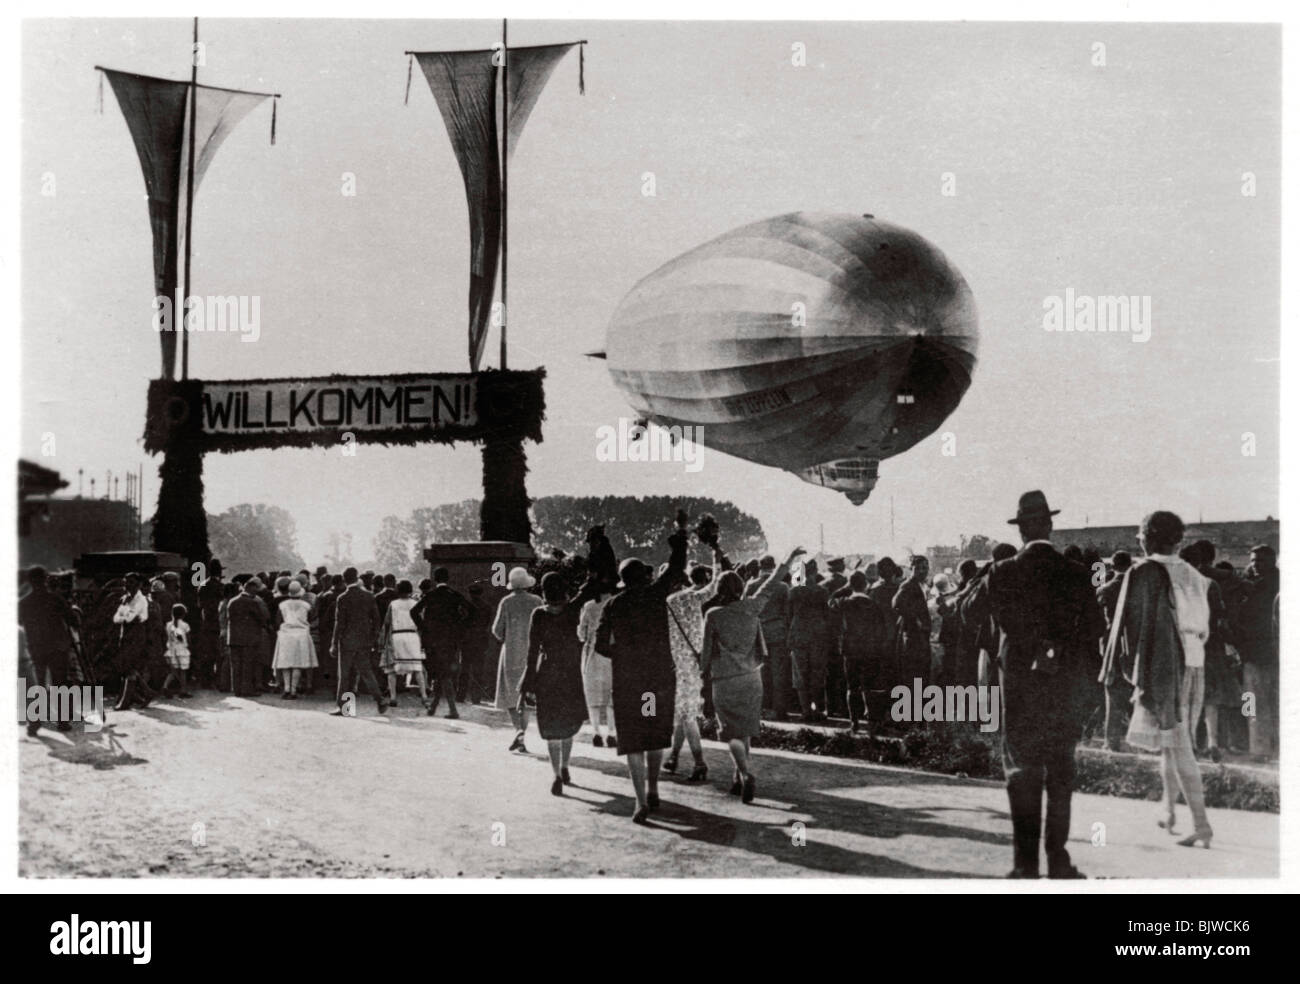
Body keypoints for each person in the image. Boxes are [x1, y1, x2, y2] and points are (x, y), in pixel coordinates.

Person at [959, 490, 1104, 878]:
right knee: (1060, 770)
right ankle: (1058, 859)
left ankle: (1025, 866)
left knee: (1021, 769)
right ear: (1051, 527)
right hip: (1063, 686)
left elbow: (968, 611)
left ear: (1021, 530)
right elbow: (1096, 630)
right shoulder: (1075, 574)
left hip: (1020, 686)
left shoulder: (1003, 571)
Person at [1102, 511, 1213, 848]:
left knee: (1179, 747)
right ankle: (1169, 811)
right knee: (1171, 743)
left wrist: (1130, 668)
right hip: (1195, 663)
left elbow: (1131, 626)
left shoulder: (1144, 572)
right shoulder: (1194, 575)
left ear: (1147, 537)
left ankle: (1202, 824)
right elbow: (1205, 628)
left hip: (1166, 668)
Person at [594, 511, 689, 823]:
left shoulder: (612, 605)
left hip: (629, 682)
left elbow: (600, 645)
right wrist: (680, 532)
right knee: (654, 733)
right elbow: (676, 567)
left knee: (633, 739)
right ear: (645, 577)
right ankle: (653, 788)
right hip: (658, 678)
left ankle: (639, 801)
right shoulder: (656, 594)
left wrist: (622, 654)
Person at [701, 545, 805, 803]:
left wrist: (701, 673)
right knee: (745, 730)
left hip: (724, 679)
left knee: (730, 733)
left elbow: (705, 653)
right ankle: (737, 778)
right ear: (740, 588)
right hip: (751, 677)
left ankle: (746, 774)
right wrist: (789, 559)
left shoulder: (713, 615)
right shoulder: (752, 607)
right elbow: (771, 583)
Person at [521, 571, 603, 795]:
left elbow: (531, 652)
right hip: (571, 674)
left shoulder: (538, 615)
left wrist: (528, 683)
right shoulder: (573, 610)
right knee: (568, 725)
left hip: (547, 674)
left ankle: (556, 775)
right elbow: (590, 585)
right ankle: (566, 767)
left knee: (551, 726)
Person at [664, 564, 712, 780]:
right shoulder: (696, 599)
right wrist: (717, 554)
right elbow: (717, 582)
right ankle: (695, 761)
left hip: (672, 666)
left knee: (680, 714)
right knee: (687, 714)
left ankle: (675, 757)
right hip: (692, 666)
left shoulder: (668, 602)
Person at [19, 566, 79, 731]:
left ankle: (34, 722)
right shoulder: (56, 599)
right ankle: (62, 721)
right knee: (60, 683)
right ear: (46, 579)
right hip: (58, 648)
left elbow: (18, 624)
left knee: (36, 685)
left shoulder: (23, 603)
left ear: (30, 581)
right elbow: (73, 620)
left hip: (36, 648)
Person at [1234, 545, 1279, 759]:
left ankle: (1259, 748)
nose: (1255, 565)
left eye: (1260, 561)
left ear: (1272, 561)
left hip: (1261, 652)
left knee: (1253, 700)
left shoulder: (1259, 588)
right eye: (1253, 561)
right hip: (1256, 654)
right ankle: (1261, 746)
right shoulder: (1258, 585)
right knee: (1254, 701)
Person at [493, 567, 544, 750]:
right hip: (532, 653)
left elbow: (497, 630)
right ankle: (522, 730)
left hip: (511, 652)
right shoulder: (537, 601)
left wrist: (507, 637)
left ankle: (518, 730)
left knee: (510, 694)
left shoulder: (506, 602)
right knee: (527, 694)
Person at [833, 570, 888, 734]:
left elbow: (830, 599)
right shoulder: (873, 604)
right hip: (870, 650)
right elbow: (881, 629)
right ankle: (872, 721)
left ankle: (854, 722)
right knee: (869, 687)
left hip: (850, 650)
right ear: (866, 585)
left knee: (852, 686)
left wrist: (845, 587)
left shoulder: (844, 602)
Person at [413, 568, 473, 718]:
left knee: (442, 674)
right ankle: (434, 708)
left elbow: (414, 612)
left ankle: (452, 710)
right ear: (448, 578)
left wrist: (424, 628)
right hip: (451, 640)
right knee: (443, 673)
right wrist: (459, 626)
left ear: (435, 579)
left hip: (433, 641)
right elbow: (472, 611)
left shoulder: (430, 595)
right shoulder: (454, 595)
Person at [332, 567, 386, 716]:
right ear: (357, 578)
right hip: (364, 640)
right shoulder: (369, 596)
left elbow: (340, 623)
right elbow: (376, 619)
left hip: (347, 641)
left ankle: (344, 707)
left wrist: (333, 643)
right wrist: (373, 637)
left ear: (344, 580)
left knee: (344, 675)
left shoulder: (342, 598)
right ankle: (380, 699)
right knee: (366, 672)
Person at [746, 555, 791, 717]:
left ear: (760, 567)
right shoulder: (783, 586)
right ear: (774, 566)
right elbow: (787, 613)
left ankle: (762, 707)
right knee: (779, 672)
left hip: (758, 632)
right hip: (778, 631)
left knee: (760, 671)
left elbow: (747, 610)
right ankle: (780, 709)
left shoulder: (751, 585)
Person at [1097, 550, 1133, 750]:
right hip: (1135, 642)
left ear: (1113, 565)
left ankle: (1111, 740)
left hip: (1112, 641)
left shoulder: (1106, 589)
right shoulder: (1138, 588)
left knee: (1112, 689)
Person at [787, 558, 830, 721]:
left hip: (798, 634)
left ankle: (805, 710)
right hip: (818, 634)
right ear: (815, 572)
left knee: (800, 673)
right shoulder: (822, 591)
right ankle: (818, 709)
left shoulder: (794, 591)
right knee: (817, 672)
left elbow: (789, 615)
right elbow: (826, 615)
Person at [577, 577, 616, 748]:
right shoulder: (617, 603)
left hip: (592, 653)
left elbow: (581, 634)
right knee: (611, 696)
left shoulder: (589, 606)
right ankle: (612, 732)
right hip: (612, 654)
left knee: (592, 695)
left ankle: (596, 732)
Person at [376, 580, 428, 708]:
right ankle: (424, 696)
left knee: (391, 669)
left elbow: (387, 623)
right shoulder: (416, 603)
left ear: (398, 591)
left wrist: (382, 640)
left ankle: (393, 697)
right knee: (417, 667)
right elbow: (421, 622)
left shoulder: (393, 604)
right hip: (412, 636)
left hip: (397, 636)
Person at [112, 573, 155, 710]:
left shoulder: (140, 600)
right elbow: (115, 618)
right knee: (125, 666)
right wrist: (125, 616)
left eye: (130, 582)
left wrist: (124, 615)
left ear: (138, 584)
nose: (127, 585)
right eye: (126, 582)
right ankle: (145, 693)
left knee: (128, 667)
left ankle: (126, 701)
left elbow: (129, 618)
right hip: (126, 634)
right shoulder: (126, 599)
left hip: (136, 635)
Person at [227, 577, 271, 698]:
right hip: (249, 639)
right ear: (251, 589)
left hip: (234, 638)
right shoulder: (252, 603)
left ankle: (236, 689)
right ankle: (246, 690)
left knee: (236, 665)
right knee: (247, 665)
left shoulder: (232, 601)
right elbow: (262, 619)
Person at [272, 581, 317, 700]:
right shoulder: (306, 605)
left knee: (285, 663)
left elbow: (278, 620)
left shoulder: (282, 605)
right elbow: (312, 618)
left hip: (286, 634)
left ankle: (286, 689)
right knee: (298, 663)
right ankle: (293, 690)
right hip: (301, 634)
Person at [893, 556, 932, 688]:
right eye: (918, 568)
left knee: (921, 674)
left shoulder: (923, 585)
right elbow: (896, 604)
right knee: (914, 674)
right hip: (912, 637)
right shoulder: (908, 585)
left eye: (925, 568)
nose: (922, 571)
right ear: (911, 569)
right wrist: (915, 620)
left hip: (921, 637)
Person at [161, 603, 194, 698]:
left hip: (171, 649)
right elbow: (188, 639)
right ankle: (183, 690)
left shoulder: (168, 625)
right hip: (182, 650)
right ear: (183, 614)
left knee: (173, 671)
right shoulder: (185, 625)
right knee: (183, 671)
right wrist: (190, 647)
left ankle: (165, 686)